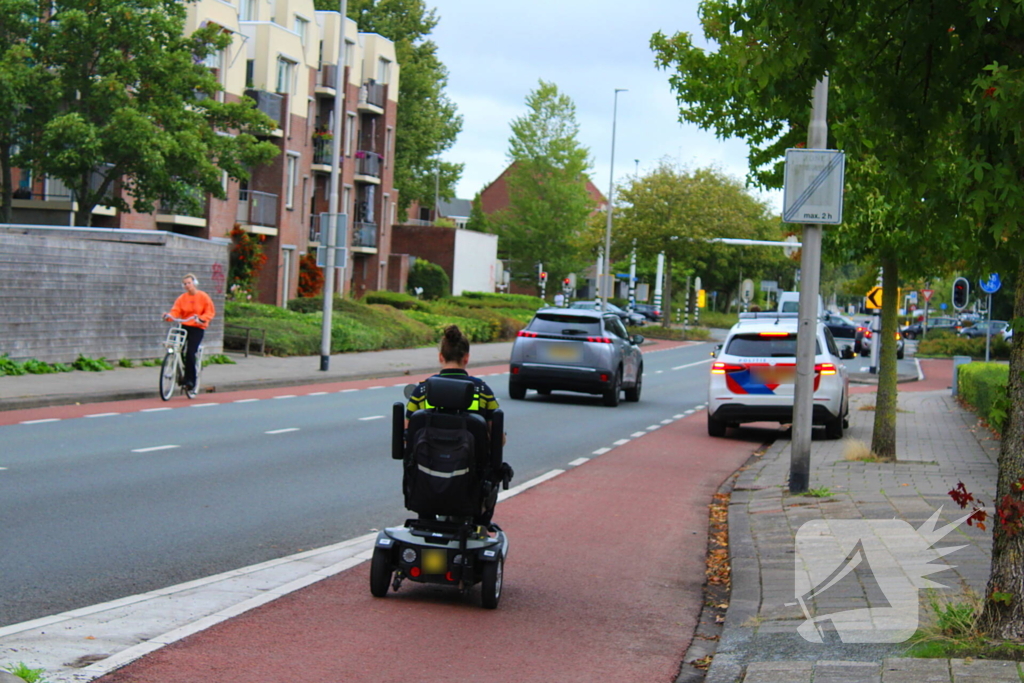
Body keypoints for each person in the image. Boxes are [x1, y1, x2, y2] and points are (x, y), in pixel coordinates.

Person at [406, 324, 511, 525]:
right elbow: (498, 440)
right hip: (471, 481)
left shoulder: (421, 391)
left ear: (441, 357)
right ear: (466, 358)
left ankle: (426, 517)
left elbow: (408, 436)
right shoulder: (483, 391)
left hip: (426, 481)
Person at [163, 273, 215, 392]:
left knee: (190, 352)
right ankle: (179, 371)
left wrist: (201, 319)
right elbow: (176, 311)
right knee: (177, 348)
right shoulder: (182, 298)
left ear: (194, 283)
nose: (187, 285)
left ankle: (190, 380)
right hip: (184, 326)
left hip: (197, 327)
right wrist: (169, 316)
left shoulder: (203, 297)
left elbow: (209, 312)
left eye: (189, 283)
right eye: (185, 284)